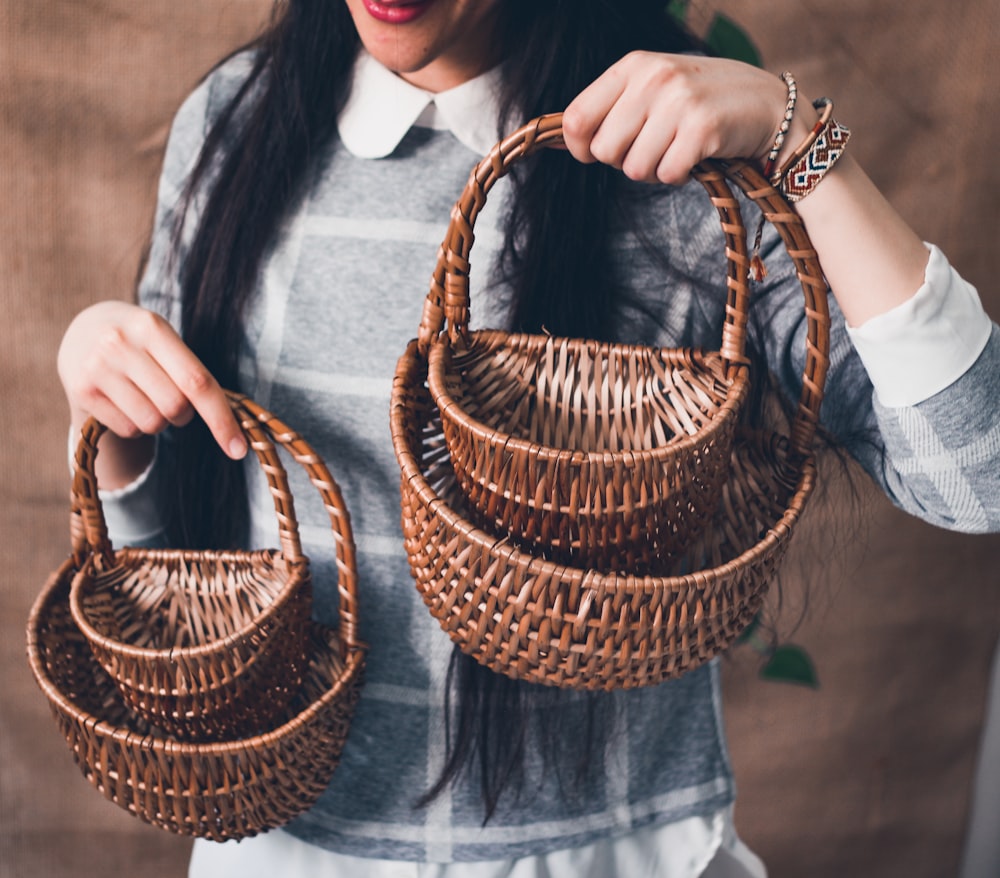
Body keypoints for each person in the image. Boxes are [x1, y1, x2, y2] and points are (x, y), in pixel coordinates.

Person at [56, 1, 999, 876]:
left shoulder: (686, 144)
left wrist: (801, 140)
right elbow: (175, 575)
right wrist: (110, 419)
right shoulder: (236, 121)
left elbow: (976, 478)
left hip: (608, 851)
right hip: (288, 848)